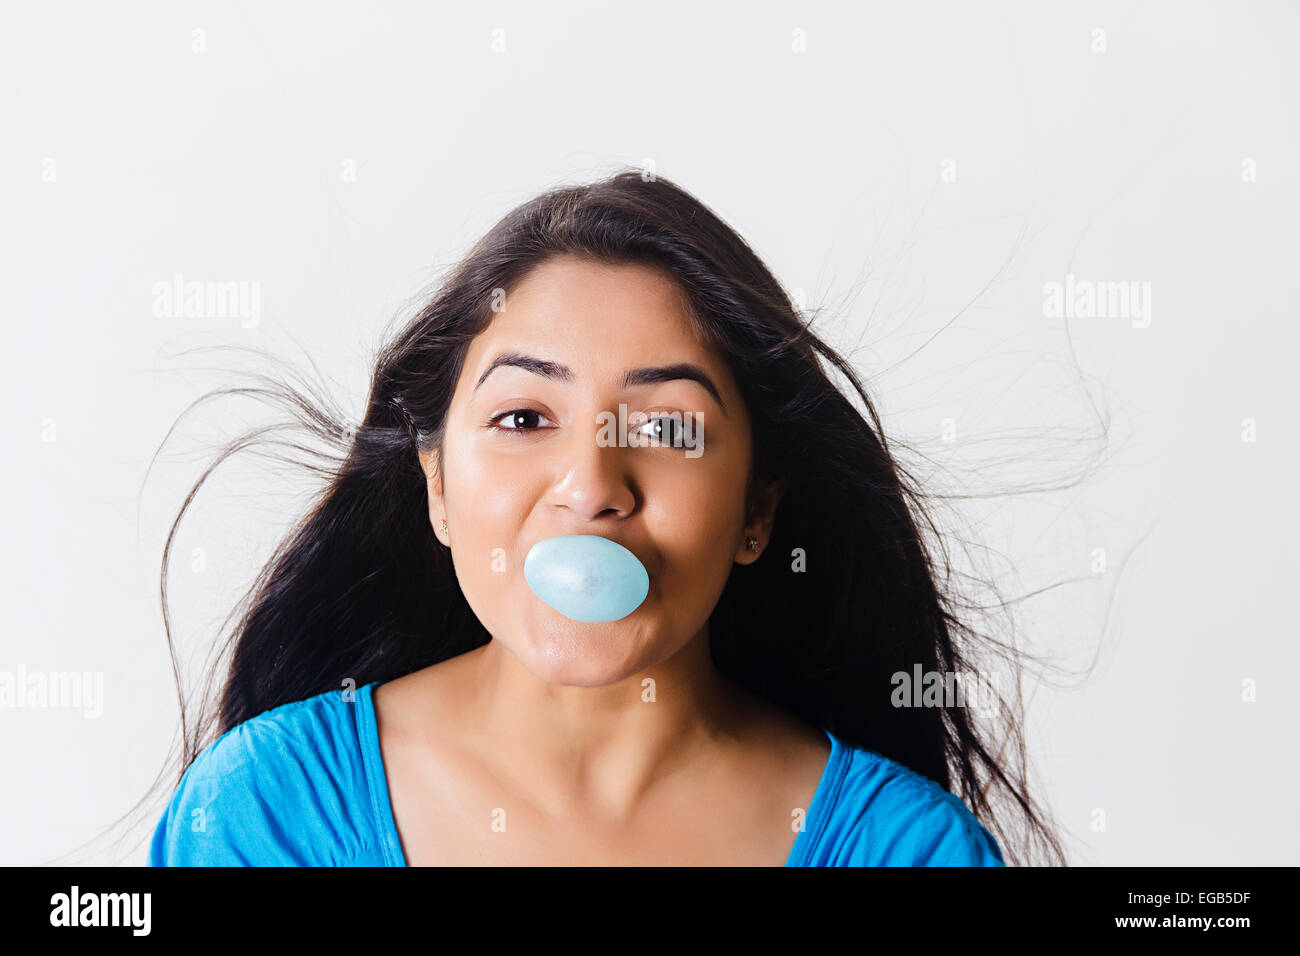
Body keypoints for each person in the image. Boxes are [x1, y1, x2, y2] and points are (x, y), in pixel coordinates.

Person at [145, 170, 1062, 866]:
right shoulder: (262, 812)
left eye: (666, 427)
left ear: (757, 510)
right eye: (523, 419)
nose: (590, 486)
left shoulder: (904, 850)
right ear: (436, 486)